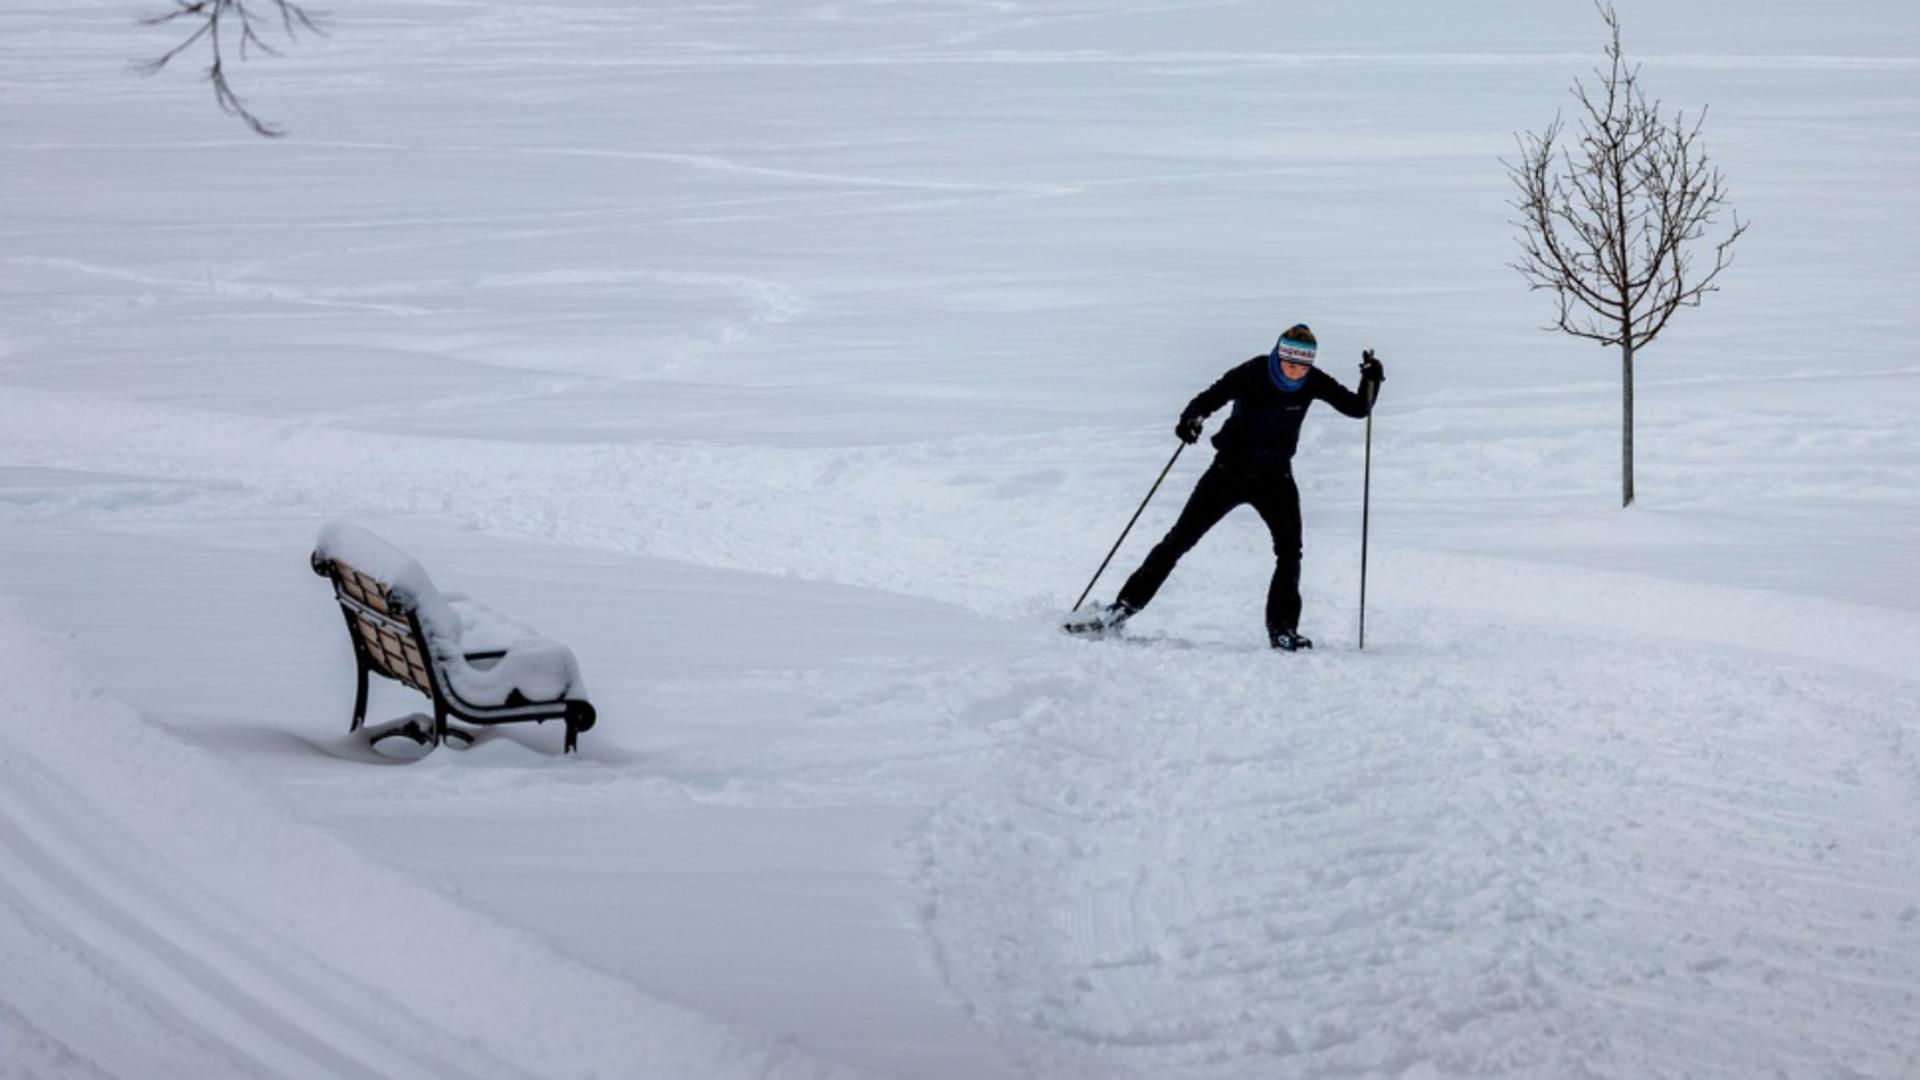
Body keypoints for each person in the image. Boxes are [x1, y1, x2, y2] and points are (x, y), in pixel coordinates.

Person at [1067, 324, 1384, 650]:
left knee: (1290, 553)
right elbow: (1209, 398)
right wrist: (1190, 420)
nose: (1295, 371)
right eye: (1290, 362)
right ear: (1279, 353)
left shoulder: (1312, 381)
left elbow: (1358, 408)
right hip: (1228, 472)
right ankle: (1119, 611)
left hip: (1276, 477)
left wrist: (1371, 380)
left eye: (1302, 366)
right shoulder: (1253, 372)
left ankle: (1283, 630)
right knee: (1178, 541)